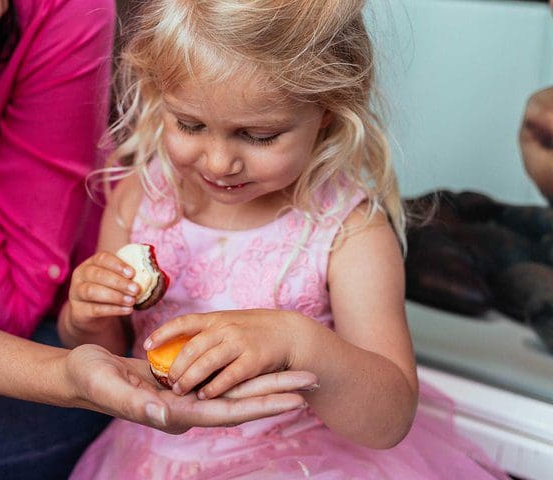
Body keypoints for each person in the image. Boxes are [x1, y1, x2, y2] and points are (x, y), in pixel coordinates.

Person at [0, 1, 315, 479]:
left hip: (31, 342)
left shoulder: (62, 11)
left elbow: (4, 312)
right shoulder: (145, 200)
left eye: (257, 135)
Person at [58, 0, 510, 478]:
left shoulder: (347, 231)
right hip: (150, 459)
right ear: (157, 95)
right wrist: (86, 318)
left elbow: (389, 418)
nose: (218, 163)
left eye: (258, 136)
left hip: (296, 462)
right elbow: (109, 355)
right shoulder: (142, 197)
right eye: (190, 125)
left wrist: (301, 344)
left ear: (329, 113)